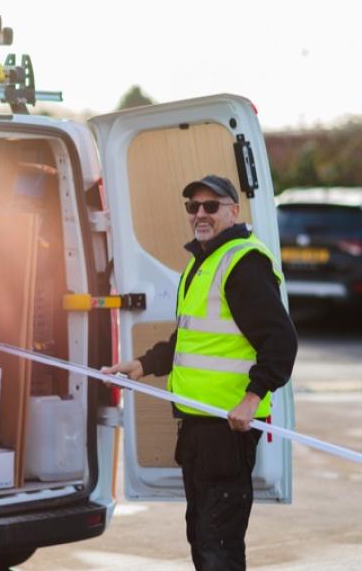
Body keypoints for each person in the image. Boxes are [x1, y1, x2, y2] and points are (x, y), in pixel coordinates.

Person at [102, 174, 297, 571]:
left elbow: (280, 341)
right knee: (203, 533)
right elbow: (189, 339)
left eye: (211, 206)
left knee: (217, 541)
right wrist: (143, 365)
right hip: (198, 422)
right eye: (193, 206)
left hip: (228, 428)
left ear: (233, 210)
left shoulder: (244, 263)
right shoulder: (203, 261)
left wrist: (252, 398)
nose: (200, 214)